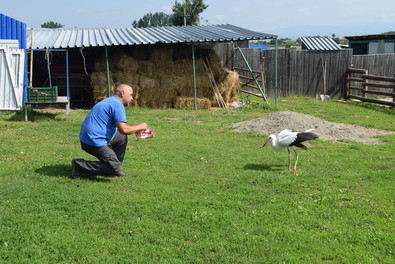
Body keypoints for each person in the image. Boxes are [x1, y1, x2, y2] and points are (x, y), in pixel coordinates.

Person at [71, 84, 148, 178]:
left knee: (121, 137)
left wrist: (135, 130)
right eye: (131, 95)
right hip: (94, 141)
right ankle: (79, 165)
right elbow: (124, 129)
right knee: (113, 170)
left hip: (89, 137)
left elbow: (121, 131)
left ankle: (115, 164)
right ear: (122, 93)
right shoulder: (117, 105)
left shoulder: (111, 101)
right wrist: (140, 126)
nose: (132, 98)